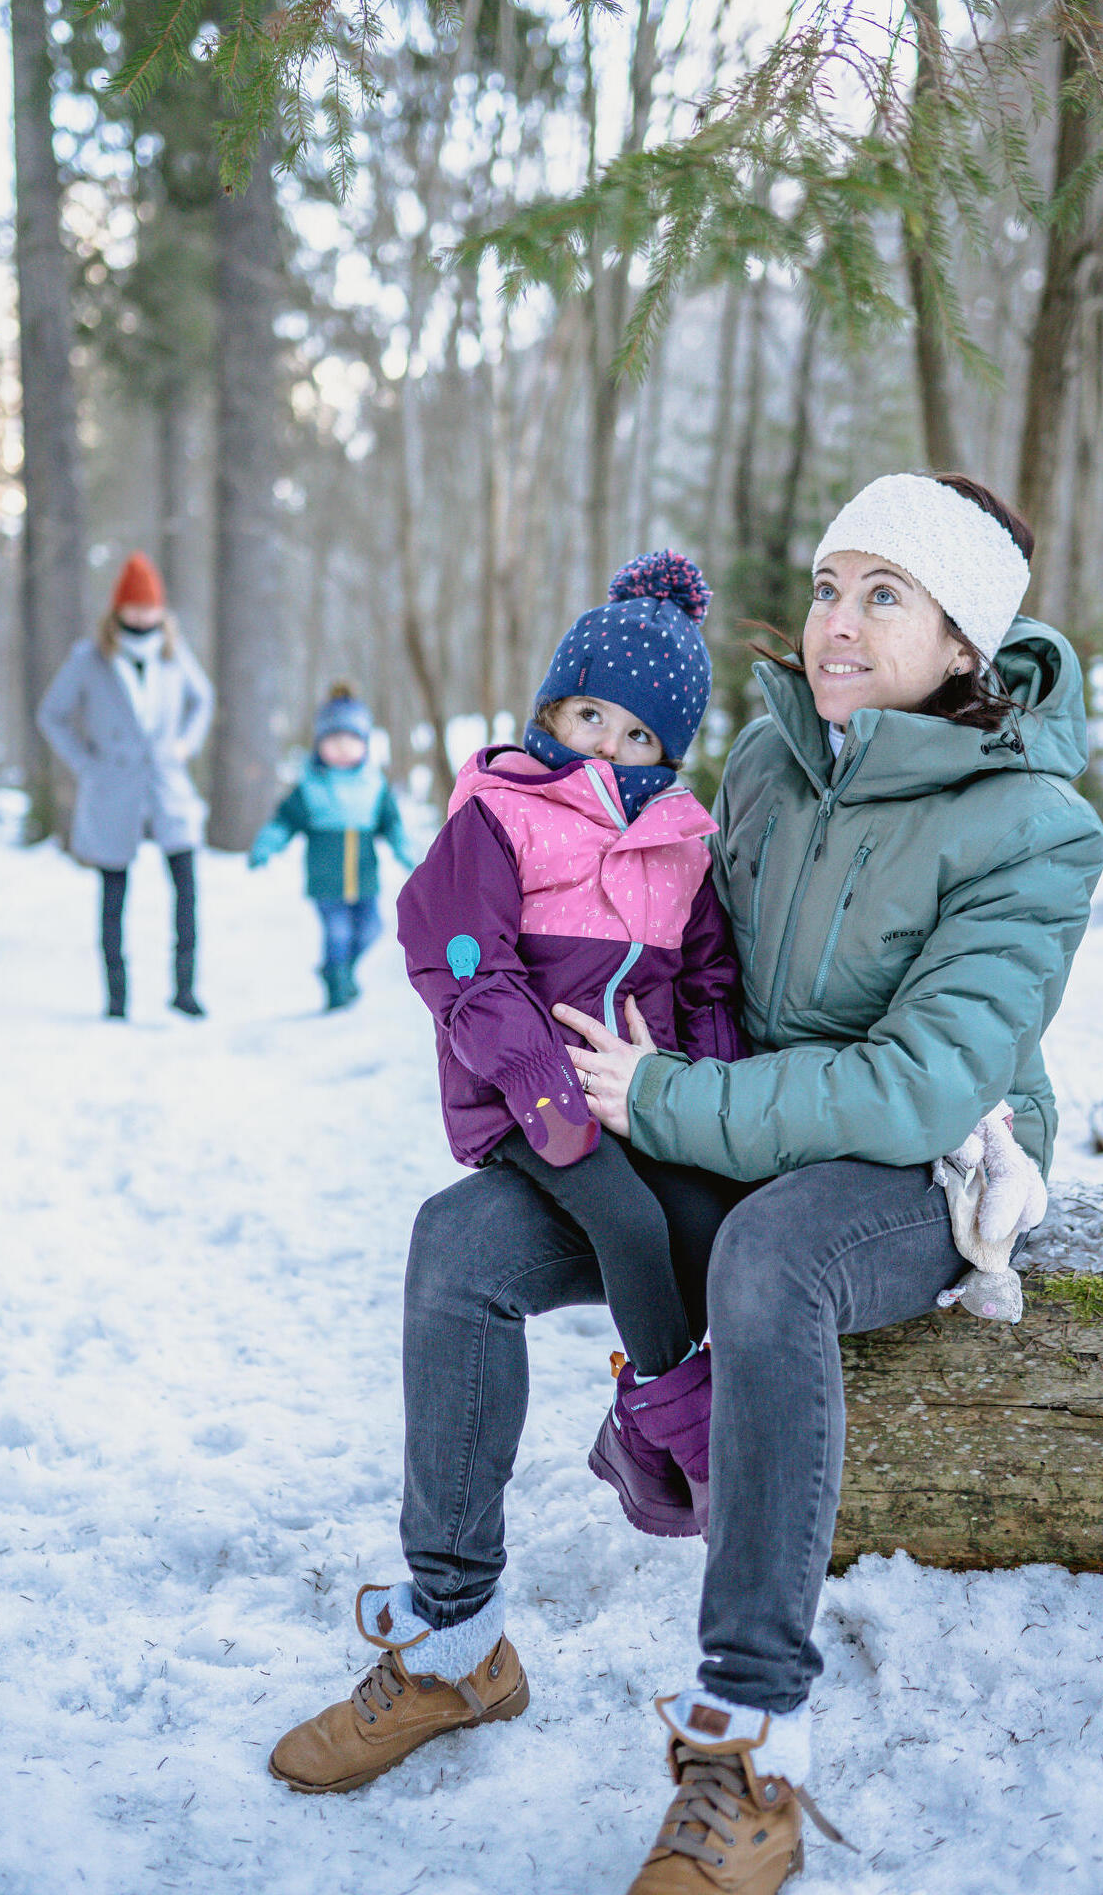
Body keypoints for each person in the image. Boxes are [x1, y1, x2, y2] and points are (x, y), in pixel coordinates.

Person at [269, 473, 1103, 1895]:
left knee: (771, 1260)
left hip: (907, 1168)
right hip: (704, 1117)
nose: (836, 622)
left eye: (884, 595)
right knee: (460, 1244)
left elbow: (919, 1083)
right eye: (831, 585)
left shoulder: (1032, 828)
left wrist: (669, 1096)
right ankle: (454, 1644)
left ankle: (747, 1752)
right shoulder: (775, 762)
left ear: (968, 640)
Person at [395, 554, 748, 1538]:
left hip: (637, 1097)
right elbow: (459, 956)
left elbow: (708, 979)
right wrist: (541, 1089)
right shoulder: (500, 811)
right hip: (525, 1102)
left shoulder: (681, 840)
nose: (609, 747)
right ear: (549, 708)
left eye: (639, 735)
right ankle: (698, 1446)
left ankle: (640, 1427)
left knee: (693, 1221)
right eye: (590, 716)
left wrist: (699, 1094)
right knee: (628, 1227)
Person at [35, 552, 214, 1020]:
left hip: (167, 786)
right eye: (134, 607)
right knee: (113, 896)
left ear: (161, 609)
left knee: (187, 890)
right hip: (112, 788)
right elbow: (51, 714)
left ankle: (185, 989)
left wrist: (183, 746)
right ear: (118, 610)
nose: (142, 615)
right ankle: (116, 997)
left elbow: (203, 700)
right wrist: (86, 764)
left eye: (150, 606)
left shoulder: (175, 653)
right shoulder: (90, 658)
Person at [248, 687, 417, 1011]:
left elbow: (392, 824)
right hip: (327, 881)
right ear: (319, 744)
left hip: (365, 878)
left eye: (351, 739)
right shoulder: (310, 787)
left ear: (364, 744)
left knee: (372, 928)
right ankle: (337, 993)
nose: (342, 747)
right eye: (333, 739)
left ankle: (339, 971)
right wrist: (265, 848)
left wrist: (404, 852)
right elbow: (283, 822)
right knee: (337, 933)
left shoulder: (374, 786)